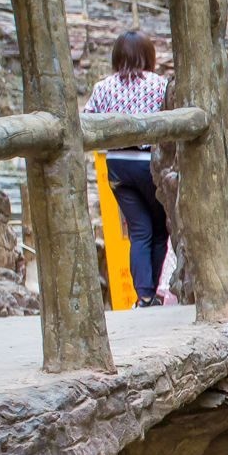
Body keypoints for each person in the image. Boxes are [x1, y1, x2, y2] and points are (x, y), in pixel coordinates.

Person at [84, 30, 169, 306]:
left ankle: (143, 295)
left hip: (118, 166)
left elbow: (86, 121)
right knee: (159, 230)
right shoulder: (159, 85)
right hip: (150, 166)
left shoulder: (103, 87)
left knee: (139, 231)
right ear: (148, 55)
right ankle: (152, 291)